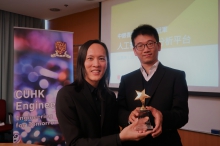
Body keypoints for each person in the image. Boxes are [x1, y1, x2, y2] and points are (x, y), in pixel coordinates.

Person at [56, 39, 152, 146]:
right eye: (90, 58)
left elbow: (113, 130)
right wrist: (119, 138)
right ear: (82, 62)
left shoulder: (109, 96)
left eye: (101, 59)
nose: (96, 64)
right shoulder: (67, 95)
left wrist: (131, 117)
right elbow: (74, 143)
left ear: (107, 63)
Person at [117, 24, 189, 146]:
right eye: (140, 45)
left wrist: (162, 116)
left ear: (159, 46)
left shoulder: (176, 76)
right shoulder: (126, 79)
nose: (146, 49)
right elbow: (118, 111)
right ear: (134, 50)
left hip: (166, 142)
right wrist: (129, 117)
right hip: (133, 143)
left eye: (150, 43)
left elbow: (182, 115)